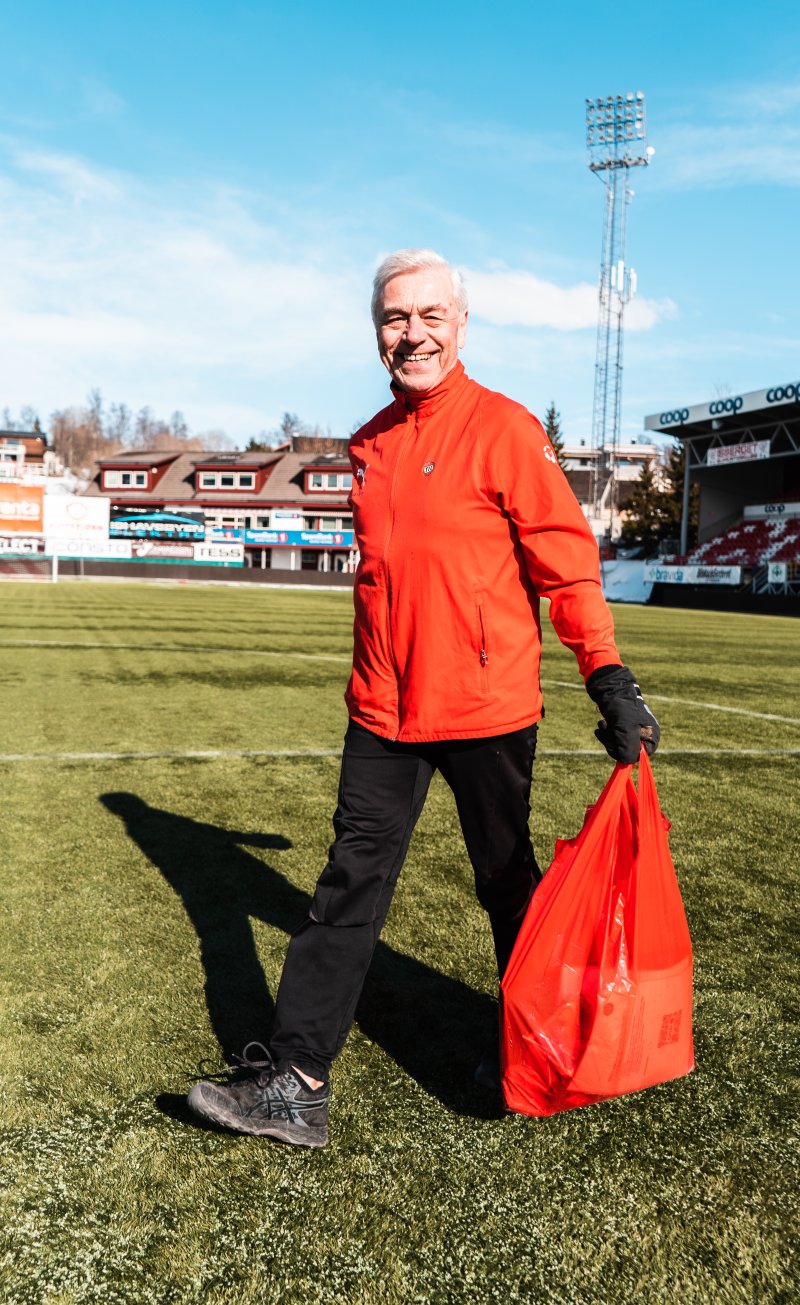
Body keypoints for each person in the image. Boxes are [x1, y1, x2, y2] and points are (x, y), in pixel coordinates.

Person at [187, 248, 659, 1147]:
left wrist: (607, 674)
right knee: (346, 884)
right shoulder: (368, 444)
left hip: (487, 705)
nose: (413, 334)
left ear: (462, 325)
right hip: (383, 708)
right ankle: (296, 1084)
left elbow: (566, 563)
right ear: (378, 334)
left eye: (430, 316)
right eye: (396, 319)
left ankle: (538, 1047)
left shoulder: (508, 431)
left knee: (506, 882)